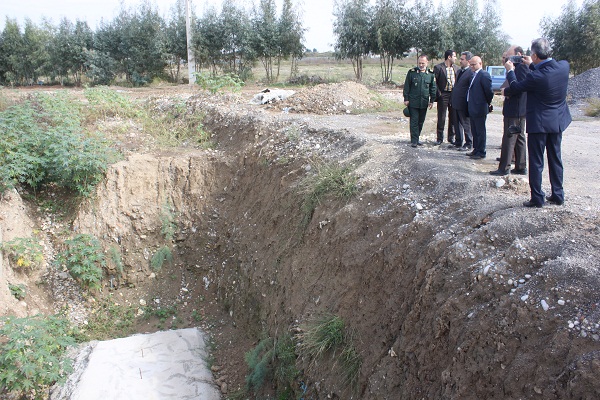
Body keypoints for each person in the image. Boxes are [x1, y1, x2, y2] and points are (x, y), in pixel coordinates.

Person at [503, 37, 572, 208]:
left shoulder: (536, 77)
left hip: (539, 124)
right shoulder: (564, 66)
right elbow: (547, 68)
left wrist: (511, 71)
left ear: (534, 55)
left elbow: (515, 87)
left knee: (536, 161)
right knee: (555, 158)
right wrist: (531, 64)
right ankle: (558, 194)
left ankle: (537, 198)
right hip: (557, 122)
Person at [489, 46, 529, 176]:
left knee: (510, 137)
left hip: (516, 108)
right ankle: (520, 166)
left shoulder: (521, 68)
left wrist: (506, 91)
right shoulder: (518, 68)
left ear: (518, 54)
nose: (507, 59)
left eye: (509, 56)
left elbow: (518, 87)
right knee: (519, 137)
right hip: (518, 109)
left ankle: (504, 167)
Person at [403, 55, 436, 148]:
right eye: (419, 63)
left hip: (424, 102)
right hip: (413, 102)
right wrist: (406, 98)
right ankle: (414, 141)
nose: (421, 65)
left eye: (423, 63)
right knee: (414, 121)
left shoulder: (430, 74)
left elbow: (433, 88)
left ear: (427, 63)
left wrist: (432, 100)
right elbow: (407, 86)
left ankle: (417, 139)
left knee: (420, 121)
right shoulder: (412, 73)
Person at [466, 56, 493, 159]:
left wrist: (486, 102)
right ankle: (476, 149)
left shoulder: (484, 75)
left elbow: (489, 92)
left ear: (480, 64)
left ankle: (481, 151)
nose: (472, 66)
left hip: (480, 107)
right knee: (475, 130)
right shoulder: (474, 75)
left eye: (474, 64)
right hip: (473, 107)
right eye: (471, 65)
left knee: (480, 131)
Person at [434, 50, 460, 145]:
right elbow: (434, 82)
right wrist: (439, 94)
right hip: (443, 94)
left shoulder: (457, 69)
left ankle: (451, 137)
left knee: (453, 116)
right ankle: (439, 138)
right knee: (441, 116)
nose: (455, 58)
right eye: (454, 56)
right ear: (449, 57)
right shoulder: (438, 67)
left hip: (453, 94)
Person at [451, 51, 474, 151]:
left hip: (464, 103)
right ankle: (458, 141)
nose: (460, 61)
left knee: (466, 124)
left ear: (468, 61)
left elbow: (470, 89)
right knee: (456, 123)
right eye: (460, 59)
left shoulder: (470, 73)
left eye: (462, 59)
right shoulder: (459, 71)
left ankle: (469, 143)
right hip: (456, 102)